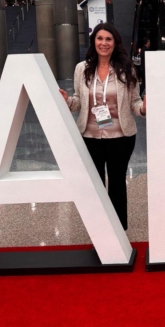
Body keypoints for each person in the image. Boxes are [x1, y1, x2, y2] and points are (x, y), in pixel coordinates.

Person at [59, 23, 146, 230]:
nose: (104, 43)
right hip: (90, 137)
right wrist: (67, 101)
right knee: (94, 185)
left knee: (116, 183)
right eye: (100, 39)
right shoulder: (82, 69)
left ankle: (118, 229)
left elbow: (134, 103)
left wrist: (143, 108)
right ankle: (99, 229)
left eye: (108, 39)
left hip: (121, 137)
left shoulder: (127, 69)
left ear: (115, 43)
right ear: (93, 42)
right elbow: (79, 101)